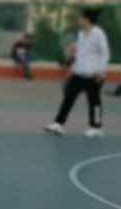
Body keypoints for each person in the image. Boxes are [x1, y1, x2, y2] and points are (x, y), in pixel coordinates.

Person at [44, 8, 109, 136]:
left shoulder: (98, 34)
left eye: (81, 18)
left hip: (93, 75)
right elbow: (80, 52)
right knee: (68, 98)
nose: (79, 20)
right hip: (78, 74)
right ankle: (58, 124)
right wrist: (71, 60)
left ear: (87, 19)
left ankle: (96, 127)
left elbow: (105, 54)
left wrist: (100, 71)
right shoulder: (81, 34)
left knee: (94, 101)